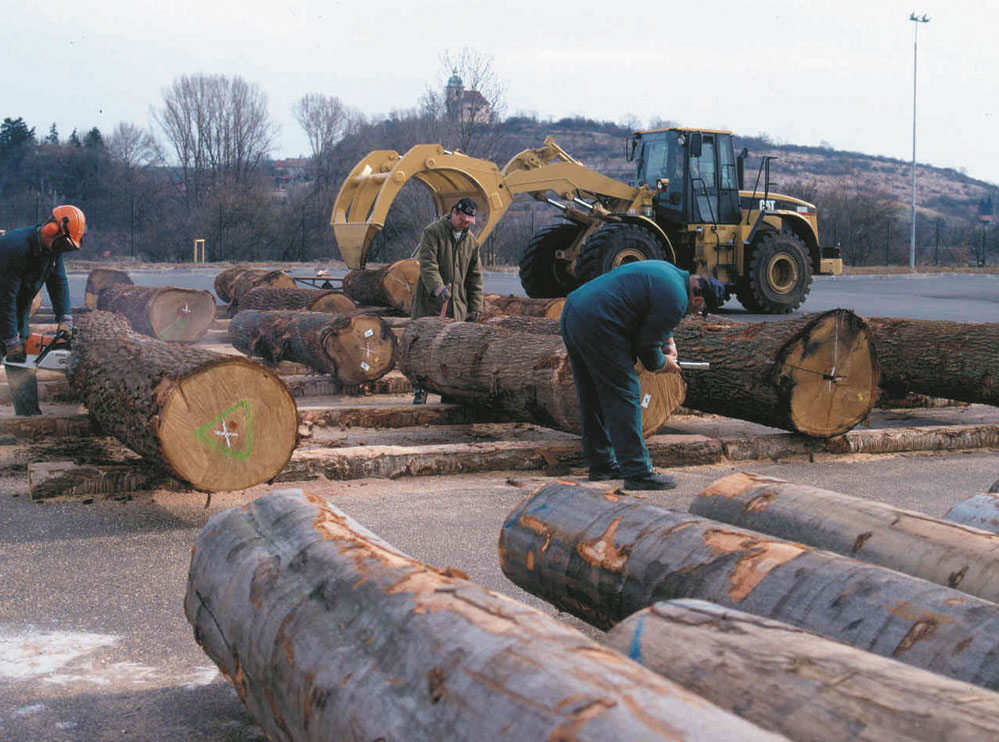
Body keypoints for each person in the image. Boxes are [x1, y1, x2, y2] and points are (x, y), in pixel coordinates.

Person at [559, 261, 726, 490]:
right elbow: (646, 350)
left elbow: (654, 311)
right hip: (600, 322)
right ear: (697, 299)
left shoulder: (673, 276)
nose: (694, 314)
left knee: (591, 394)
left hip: (574, 310)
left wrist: (669, 343)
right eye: (699, 310)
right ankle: (638, 472)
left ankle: (602, 463)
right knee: (625, 393)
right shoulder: (677, 300)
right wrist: (663, 364)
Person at [0, 205, 85, 416]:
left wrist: (65, 320)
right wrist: (11, 340)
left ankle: (29, 420)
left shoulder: (52, 250)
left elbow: (58, 282)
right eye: (64, 243)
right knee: (15, 352)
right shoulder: (14, 247)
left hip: (15, 312)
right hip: (4, 304)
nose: (63, 249)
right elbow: (5, 297)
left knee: (22, 364)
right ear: (51, 228)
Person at [409, 197, 485, 404]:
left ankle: (448, 392)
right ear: (453, 212)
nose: (465, 224)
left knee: (451, 350)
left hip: (457, 306)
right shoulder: (433, 232)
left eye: (469, 222)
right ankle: (419, 389)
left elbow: (474, 276)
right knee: (424, 348)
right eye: (462, 219)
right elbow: (427, 264)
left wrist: (476, 305)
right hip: (431, 304)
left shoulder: (472, 242)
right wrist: (437, 287)